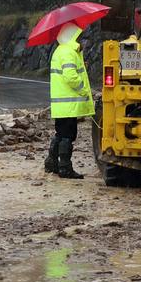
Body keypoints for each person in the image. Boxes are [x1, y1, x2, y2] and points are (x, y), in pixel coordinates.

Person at [45, 23, 93, 179]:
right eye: (77, 35)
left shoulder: (61, 50)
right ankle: (65, 168)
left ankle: (52, 163)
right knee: (68, 135)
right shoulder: (68, 52)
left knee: (60, 133)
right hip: (69, 104)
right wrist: (84, 90)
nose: (79, 38)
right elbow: (70, 76)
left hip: (62, 105)